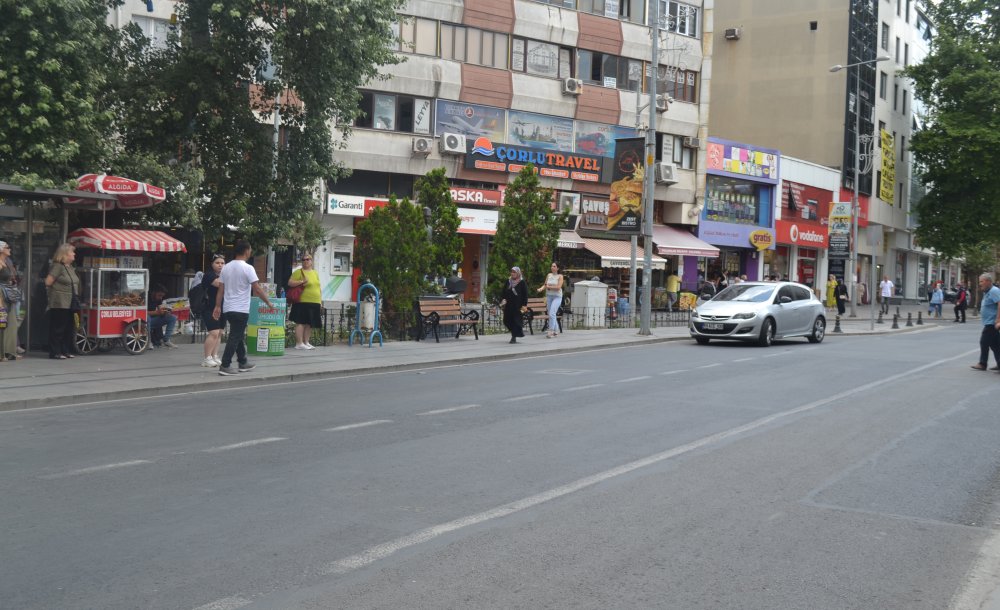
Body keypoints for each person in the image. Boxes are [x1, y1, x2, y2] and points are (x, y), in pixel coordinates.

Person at [212, 240, 273, 375]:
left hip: (228, 308)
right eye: (250, 250)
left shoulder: (226, 267)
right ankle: (225, 364)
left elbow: (220, 290)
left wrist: (217, 306)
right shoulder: (248, 268)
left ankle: (243, 362)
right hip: (241, 308)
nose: (250, 252)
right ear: (246, 251)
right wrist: (268, 302)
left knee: (237, 334)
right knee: (235, 336)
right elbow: (256, 288)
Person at [44, 243, 80, 360]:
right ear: (65, 254)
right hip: (60, 302)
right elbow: (48, 282)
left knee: (69, 327)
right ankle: (55, 352)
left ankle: (65, 350)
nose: (74, 254)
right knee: (58, 328)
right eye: (72, 252)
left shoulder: (70, 267)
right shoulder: (58, 266)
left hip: (71, 302)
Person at [287, 253, 321, 350]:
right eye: (303, 260)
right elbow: (290, 283)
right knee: (300, 322)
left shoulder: (315, 273)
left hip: (314, 301)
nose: (305, 261)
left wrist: (320, 301)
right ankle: (299, 343)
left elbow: (319, 287)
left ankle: (306, 342)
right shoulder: (299, 272)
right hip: (302, 301)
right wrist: (302, 282)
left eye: (308, 259)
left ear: (311, 261)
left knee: (309, 323)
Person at [200, 254, 226, 367]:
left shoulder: (223, 275)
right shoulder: (209, 275)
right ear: (212, 264)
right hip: (209, 307)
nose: (220, 265)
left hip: (222, 307)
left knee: (219, 333)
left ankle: (215, 355)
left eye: (222, 263)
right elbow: (219, 284)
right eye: (217, 263)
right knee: (214, 332)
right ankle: (207, 357)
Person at [971, 273, 1000, 371]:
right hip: (989, 322)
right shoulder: (987, 292)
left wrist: (998, 319)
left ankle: (982, 363)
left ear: (988, 281)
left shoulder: (994, 291)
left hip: (991, 323)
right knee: (995, 345)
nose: (980, 284)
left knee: (984, 342)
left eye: (981, 281)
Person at [0, 240, 21, 361]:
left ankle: (9, 351)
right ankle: (2, 353)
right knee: (2, 322)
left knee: (12, 322)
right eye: (7, 247)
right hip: (2, 294)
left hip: (9, 293)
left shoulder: (7, 262)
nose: (10, 249)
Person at [500, 266, 528, 344]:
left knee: (516, 321)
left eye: (514, 272)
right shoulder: (508, 281)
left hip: (518, 306)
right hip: (509, 305)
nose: (512, 274)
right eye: (512, 272)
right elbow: (503, 291)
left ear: (518, 273)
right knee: (506, 320)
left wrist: (524, 305)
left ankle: (513, 337)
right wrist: (503, 299)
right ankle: (514, 332)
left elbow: (525, 294)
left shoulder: (522, 282)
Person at [536, 262, 564, 338]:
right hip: (549, 296)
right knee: (551, 314)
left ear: (557, 268)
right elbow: (545, 285)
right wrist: (541, 289)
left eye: (554, 266)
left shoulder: (560, 276)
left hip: (557, 297)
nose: (552, 267)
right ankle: (556, 330)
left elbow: (558, 287)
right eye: (552, 266)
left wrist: (549, 287)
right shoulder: (549, 275)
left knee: (552, 313)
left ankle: (551, 331)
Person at [147, 284, 178, 349]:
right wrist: (156, 312)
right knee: (148, 318)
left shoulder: (159, 299)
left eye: (162, 296)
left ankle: (166, 340)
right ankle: (148, 341)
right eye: (159, 295)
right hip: (144, 321)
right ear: (154, 292)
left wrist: (165, 312)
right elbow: (142, 313)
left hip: (153, 320)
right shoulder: (146, 296)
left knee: (172, 318)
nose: (160, 298)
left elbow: (160, 309)